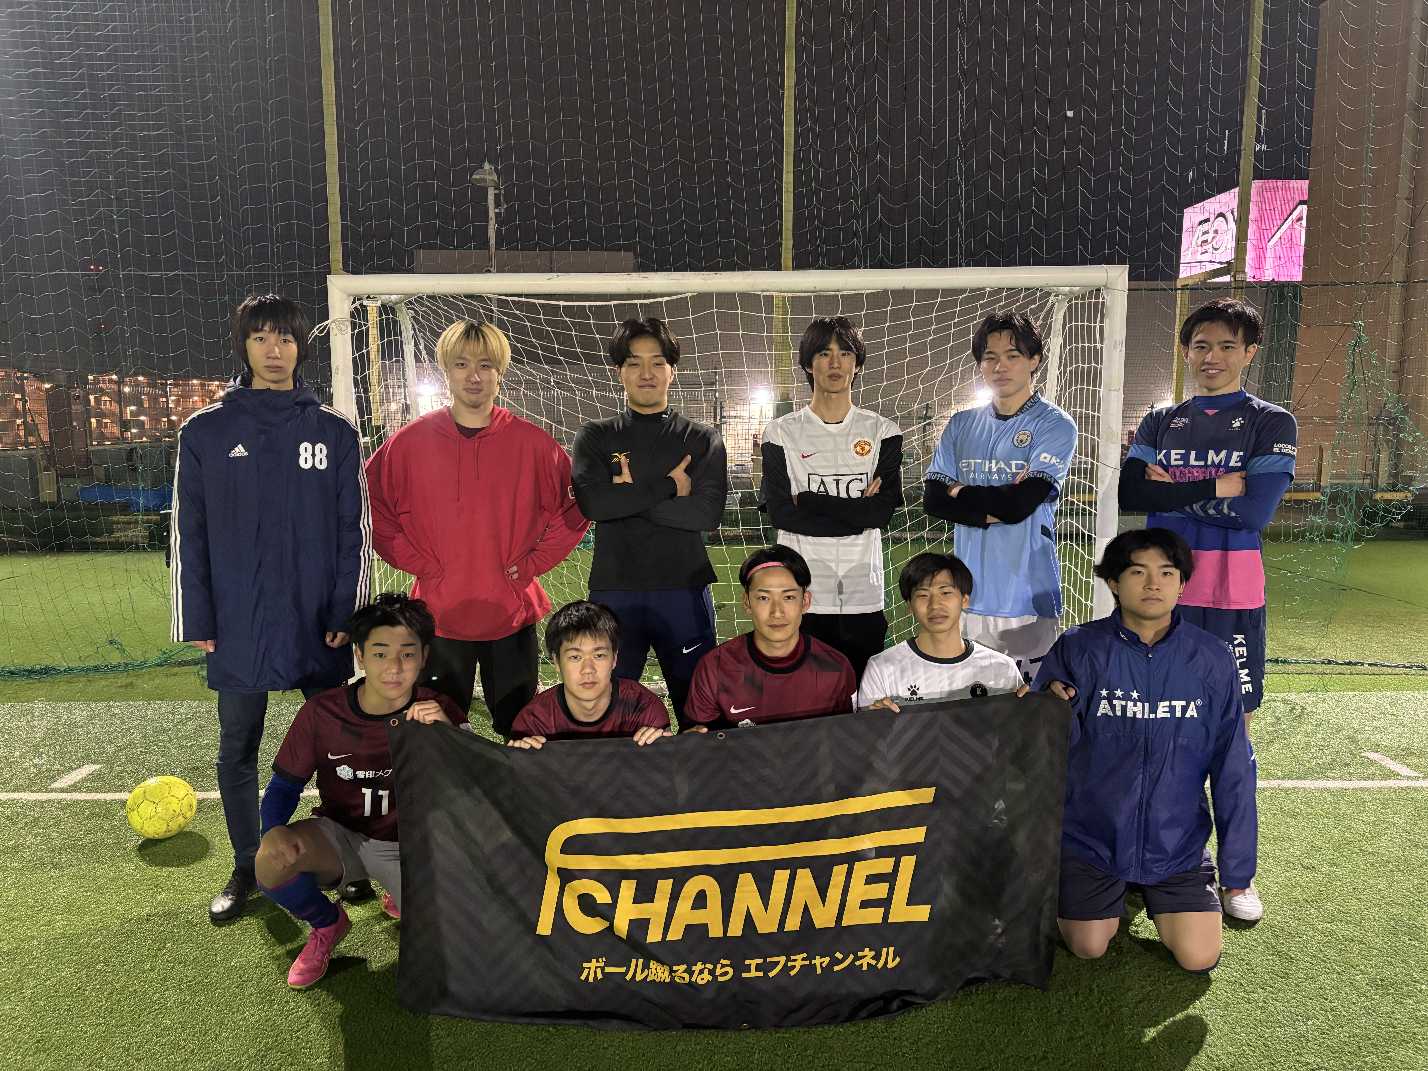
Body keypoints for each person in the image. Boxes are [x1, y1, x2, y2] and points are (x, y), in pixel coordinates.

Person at [169, 293, 370, 925]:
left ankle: (345, 858)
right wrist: (197, 618)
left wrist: (347, 612)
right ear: (244, 347)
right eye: (261, 338)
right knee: (239, 745)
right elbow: (189, 530)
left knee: (337, 743)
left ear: (300, 346)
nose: (274, 350)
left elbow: (353, 530)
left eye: (284, 338)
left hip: (317, 619)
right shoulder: (205, 431)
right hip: (239, 620)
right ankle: (247, 863)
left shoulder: (334, 431)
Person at [1119, 298, 1295, 922]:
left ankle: (1238, 876)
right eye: (1200, 346)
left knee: (1231, 741)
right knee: (1153, 730)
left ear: (1249, 352)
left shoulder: (1271, 422)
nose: (1211, 357)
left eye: (1225, 346)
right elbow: (1132, 492)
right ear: (1185, 352)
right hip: (1158, 596)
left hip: (1229, 600)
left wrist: (1174, 494)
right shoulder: (1161, 421)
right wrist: (1217, 486)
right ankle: (1157, 861)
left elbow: (1254, 513)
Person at [1032, 528, 1258, 973]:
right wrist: (1051, 709)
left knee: (1199, 957)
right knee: (1088, 946)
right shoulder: (1079, 647)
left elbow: (1233, 766)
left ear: (1182, 584)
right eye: (1138, 572)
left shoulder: (1212, 658)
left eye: (1167, 573)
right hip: (1092, 842)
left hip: (1176, 846)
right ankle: (1095, 886)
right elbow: (1043, 748)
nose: (1153, 583)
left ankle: (1166, 884)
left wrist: (1237, 874)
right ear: (1114, 583)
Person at [365, 320, 589, 737]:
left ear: (500, 373)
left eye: (485, 365)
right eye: (462, 364)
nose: (474, 376)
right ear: (446, 372)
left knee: (521, 733)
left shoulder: (534, 444)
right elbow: (370, 505)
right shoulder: (409, 442)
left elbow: (575, 509)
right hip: (438, 616)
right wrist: (418, 563)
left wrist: (532, 564)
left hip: (511, 613)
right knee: (440, 735)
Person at [254, 594, 467, 988]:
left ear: (424, 657)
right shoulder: (323, 711)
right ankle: (328, 924)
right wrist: (274, 834)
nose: (394, 667)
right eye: (380, 653)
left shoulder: (439, 709)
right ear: (360, 656)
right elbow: (284, 785)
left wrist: (449, 736)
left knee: (456, 952)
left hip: (412, 844)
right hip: (341, 835)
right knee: (270, 858)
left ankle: (404, 893)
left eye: (407, 654)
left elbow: (476, 786)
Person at [570, 318, 726, 729]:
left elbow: (706, 514)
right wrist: (670, 487)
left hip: (683, 589)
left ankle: (698, 773)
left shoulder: (701, 438)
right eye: (634, 363)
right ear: (619, 371)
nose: (646, 373)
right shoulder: (595, 436)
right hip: (615, 590)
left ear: (672, 370)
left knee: (699, 710)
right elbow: (593, 504)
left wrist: (625, 500)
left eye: (657, 362)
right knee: (610, 711)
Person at [923, 312, 1077, 682]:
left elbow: (1018, 506)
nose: (1000, 366)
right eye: (990, 357)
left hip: (1028, 596)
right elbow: (933, 501)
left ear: (1034, 360)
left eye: (1012, 355)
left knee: (1029, 704)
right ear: (980, 364)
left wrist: (962, 491)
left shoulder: (1055, 424)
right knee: (970, 703)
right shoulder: (961, 425)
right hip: (967, 594)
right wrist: (991, 508)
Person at [760, 316, 903, 681]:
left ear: (858, 364)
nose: (835, 362)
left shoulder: (883, 431)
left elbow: (880, 514)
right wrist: (857, 514)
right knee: (801, 698)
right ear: (809, 363)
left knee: (863, 699)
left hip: (863, 593)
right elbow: (782, 515)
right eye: (824, 353)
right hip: (800, 594)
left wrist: (809, 500)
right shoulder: (780, 432)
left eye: (846, 353)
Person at [684, 545, 857, 729]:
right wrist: (693, 736)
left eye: (788, 597)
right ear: (747, 602)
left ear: (805, 601)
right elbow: (698, 740)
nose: (777, 612)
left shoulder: (836, 668)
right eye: (764, 598)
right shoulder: (715, 667)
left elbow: (848, 737)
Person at [858, 551, 1023, 711]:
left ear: (964, 600)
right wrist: (873, 720)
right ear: (910, 606)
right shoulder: (881, 669)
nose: (935, 605)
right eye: (923, 595)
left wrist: (1028, 709)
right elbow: (868, 730)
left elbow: (1015, 727)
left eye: (945, 593)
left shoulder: (1003, 668)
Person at [507, 600, 673, 748]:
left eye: (599, 655)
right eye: (575, 657)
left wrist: (662, 748)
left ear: (614, 659)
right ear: (556, 662)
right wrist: (520, 760)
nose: (588, 669)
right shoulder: (534, 721)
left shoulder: (643, 708)